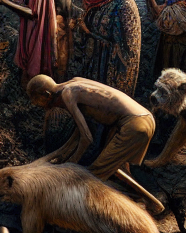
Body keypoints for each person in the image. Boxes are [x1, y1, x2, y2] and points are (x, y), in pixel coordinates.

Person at [27, 74, 163, 213]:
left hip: (134, 125)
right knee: (114, 169)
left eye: (37, 101)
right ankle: (152, 203)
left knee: (91, 177)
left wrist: (71, 165)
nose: (39, 106)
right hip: (143, 118)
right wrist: (62, 155)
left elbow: (86, 138)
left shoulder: (67, 95)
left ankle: (74, 216)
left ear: (47, 94)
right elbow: (79, 133)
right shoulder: (74, 82)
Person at [79, 0, 142, 96]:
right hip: (94, 64)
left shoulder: (124, 7)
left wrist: (88, 32)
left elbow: (126, 50)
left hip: (110, 72)